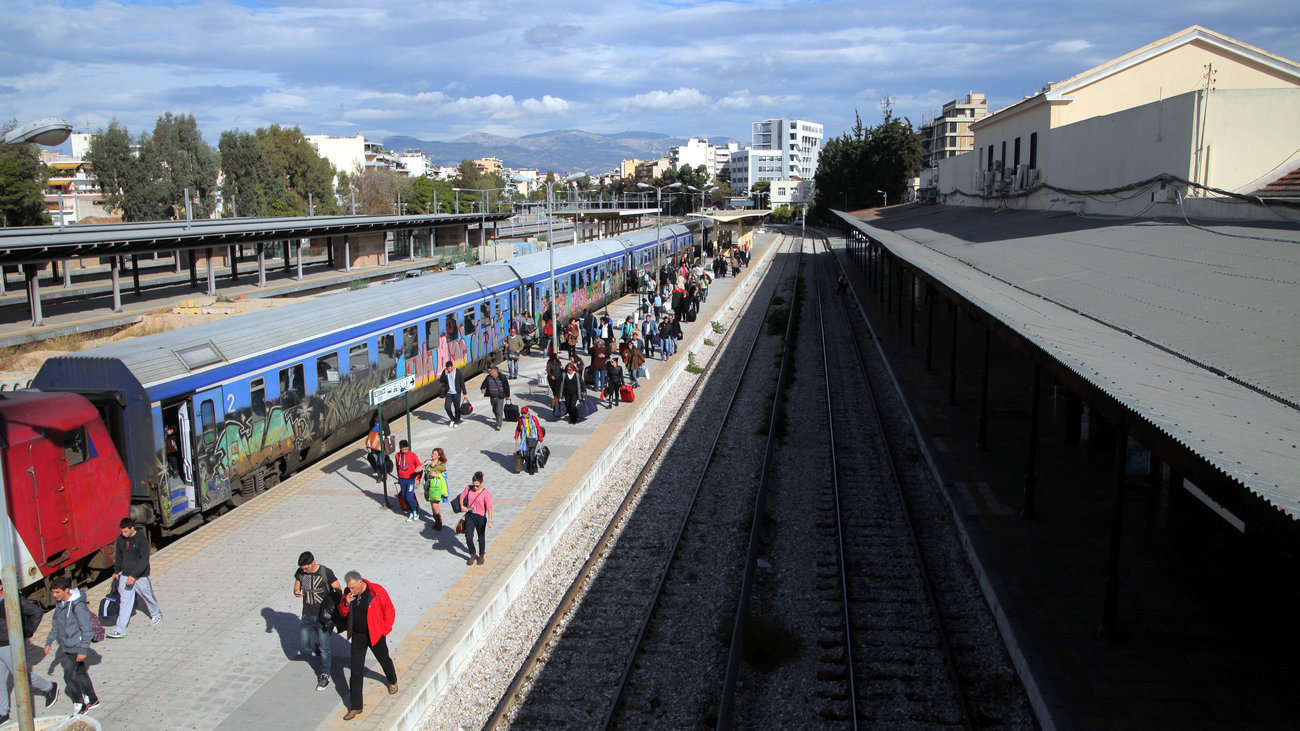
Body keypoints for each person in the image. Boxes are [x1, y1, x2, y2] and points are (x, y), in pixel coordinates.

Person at [338, 572, 398, 722]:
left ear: (360, 583)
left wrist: (384, 631)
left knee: (384, 659)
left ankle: (392, 680)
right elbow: (342, 613)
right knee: (356, 670)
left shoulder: (376, 591)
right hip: (358, 636)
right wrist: (346, 603)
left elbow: (389, 610)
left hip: (375, 634)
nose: (351, 590)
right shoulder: (348, 594)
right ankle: (355, 706)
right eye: (349, 587)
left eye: (353, 587)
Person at [0, 579, 58, 723]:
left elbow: (37, 612)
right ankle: (3, 712)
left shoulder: (13, 600)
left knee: (20, 675)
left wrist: (27, 632)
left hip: (11, 644)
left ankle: (49, 687)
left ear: (1, 586)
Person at [43, 577, 97, 715]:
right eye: (53, 592)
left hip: (76, 645)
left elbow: (87, 629)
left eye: (57, 592)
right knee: (80, 672)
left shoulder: (78, 606)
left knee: (68, 676)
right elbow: (56, 624)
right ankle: (92, 699)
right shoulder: (60, 604)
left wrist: (83, 649)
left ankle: (80, 705)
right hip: (67, 644)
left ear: (66, 590)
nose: (54, 595)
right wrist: (49, 642)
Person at [293, 552, 341, 691]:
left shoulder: (326, 572)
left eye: (306, 568)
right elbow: (296, 587)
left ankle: (325, 674)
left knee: (325, 647)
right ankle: (318, 650)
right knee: (305, 645)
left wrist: (333, 605)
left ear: (313, 562)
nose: (304, 570)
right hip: (307, 614)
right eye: (302, 568)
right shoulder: (301, 573)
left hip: (322, 617)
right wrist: (296, 592)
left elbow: (338, 589)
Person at [106, 518, 161, 639]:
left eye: (126, 531)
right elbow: (119, 557)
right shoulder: (121, 539)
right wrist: (116, 571)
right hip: (126, 575)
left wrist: (134, 575)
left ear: (132, 528)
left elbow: (144, 560)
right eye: (122, 531)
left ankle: (156, 614)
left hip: (140, 576)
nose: (123, 534)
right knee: (125, 602)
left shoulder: (141, 539)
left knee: (147, 596)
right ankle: (120, 629)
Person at [458, 472, 494, 566]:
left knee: (481, 537)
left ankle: (481, 555)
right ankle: (472, 554)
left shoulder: (485, 493)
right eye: (474, 485)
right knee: (468, 537)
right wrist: (462, 506)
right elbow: (462, 496)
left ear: (481, 483)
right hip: (470, 515)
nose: (475, 487)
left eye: (477, 486)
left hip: (480, 517)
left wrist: (490, 520)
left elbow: (489, 507)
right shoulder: (468, 488)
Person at [394, 441, 422, 521]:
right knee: (404, 496)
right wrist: (399, 477)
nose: (405, 451)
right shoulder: (397, 456)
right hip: (402, 479)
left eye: (406, 449)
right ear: (400, 448)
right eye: (403, 449)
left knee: (409, 496)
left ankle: (415, 510)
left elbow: (419, 467)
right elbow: (397, 467)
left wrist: (418, 478)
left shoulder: (412, 455)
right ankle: (410, 512)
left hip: (410, 479)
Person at [423, 448, 448, 531]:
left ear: (439, 456)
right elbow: (417, 469)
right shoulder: (428, 463)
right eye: (433, 453)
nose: (433, 455)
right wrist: (424, 464)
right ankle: (436, 520)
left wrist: (437, 475)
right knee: (432, 504)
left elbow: (444, 476)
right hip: (428, 486)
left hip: (436, 487)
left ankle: (439, 521)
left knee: (434, 504)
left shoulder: (441, 465)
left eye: (435, 454)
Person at [480, 365, 511, 431]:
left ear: (495, 372)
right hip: (492, 397)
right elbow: (484, 384)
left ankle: (499, 425)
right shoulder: (488, 377)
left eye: (491, 372)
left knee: (499, 410)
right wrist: (482, 388)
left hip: (500, 396)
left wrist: (508, 395)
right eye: (490, 371)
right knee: (494, 410)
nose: (490, 373)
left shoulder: (502, 377)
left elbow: (506, 386)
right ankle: (497, 420)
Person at [436, 361, 466, 428]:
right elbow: (441, 381)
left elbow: (462, 382)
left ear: (452, 366)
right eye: (447, 368)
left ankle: (457, 420)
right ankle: (452, 419)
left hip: (456, 393)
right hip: (449, 393)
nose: (448, 369)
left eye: (449, 368)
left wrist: (464, 392)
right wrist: (445, 375)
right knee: (447, 407)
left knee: (457, 408)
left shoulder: (457, 372)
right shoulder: (445, 372)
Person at [514, 407, 543, 475]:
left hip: (533, 439)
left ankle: (531, 468)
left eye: (525, 413)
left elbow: (538, 428)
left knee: (531, 455)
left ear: (528, 412)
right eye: (522, 413)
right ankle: (528, 465)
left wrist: (540, 438)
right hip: (524, 440)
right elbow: (518, 428)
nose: (524, 415)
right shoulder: (520, 420)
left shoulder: (533, 419)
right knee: (525, 455)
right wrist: (516, 436)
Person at [364, 414, 392, 480]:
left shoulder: (384, 423)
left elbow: (388, 432)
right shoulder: (372, 424)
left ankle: (384, 474)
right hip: (374, 446)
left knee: (381, 461)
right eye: (376, 418)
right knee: (375, 460)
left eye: (379, 418)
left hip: (381, 446)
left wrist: (383, 432)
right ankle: (379, 474)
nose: (377, 419)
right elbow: (370, 434)